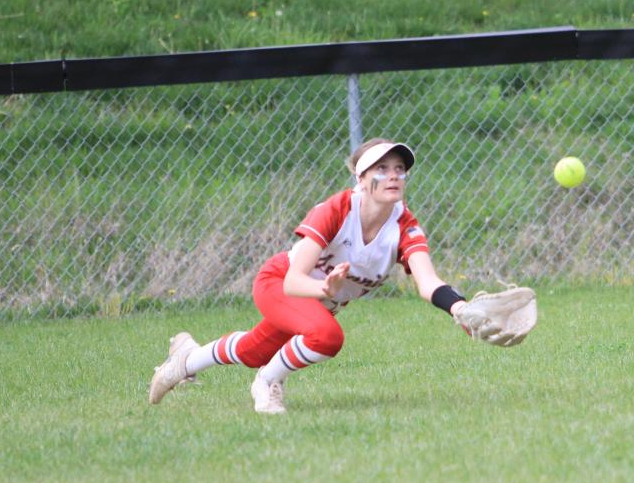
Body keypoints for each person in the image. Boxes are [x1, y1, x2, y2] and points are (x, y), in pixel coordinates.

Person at [149, 138, 534, 414]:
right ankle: (267, 385)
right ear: (361, 177)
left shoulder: (405, 226)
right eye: (381, 169)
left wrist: (460, 308)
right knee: (326, 337)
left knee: (254, 350)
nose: (394, 175)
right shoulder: (335, 209)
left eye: (400, 169)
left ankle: (185, 360)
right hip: (281, 282)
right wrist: (324, 287)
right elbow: (293, 280)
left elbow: (428, 283)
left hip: (318, 297)